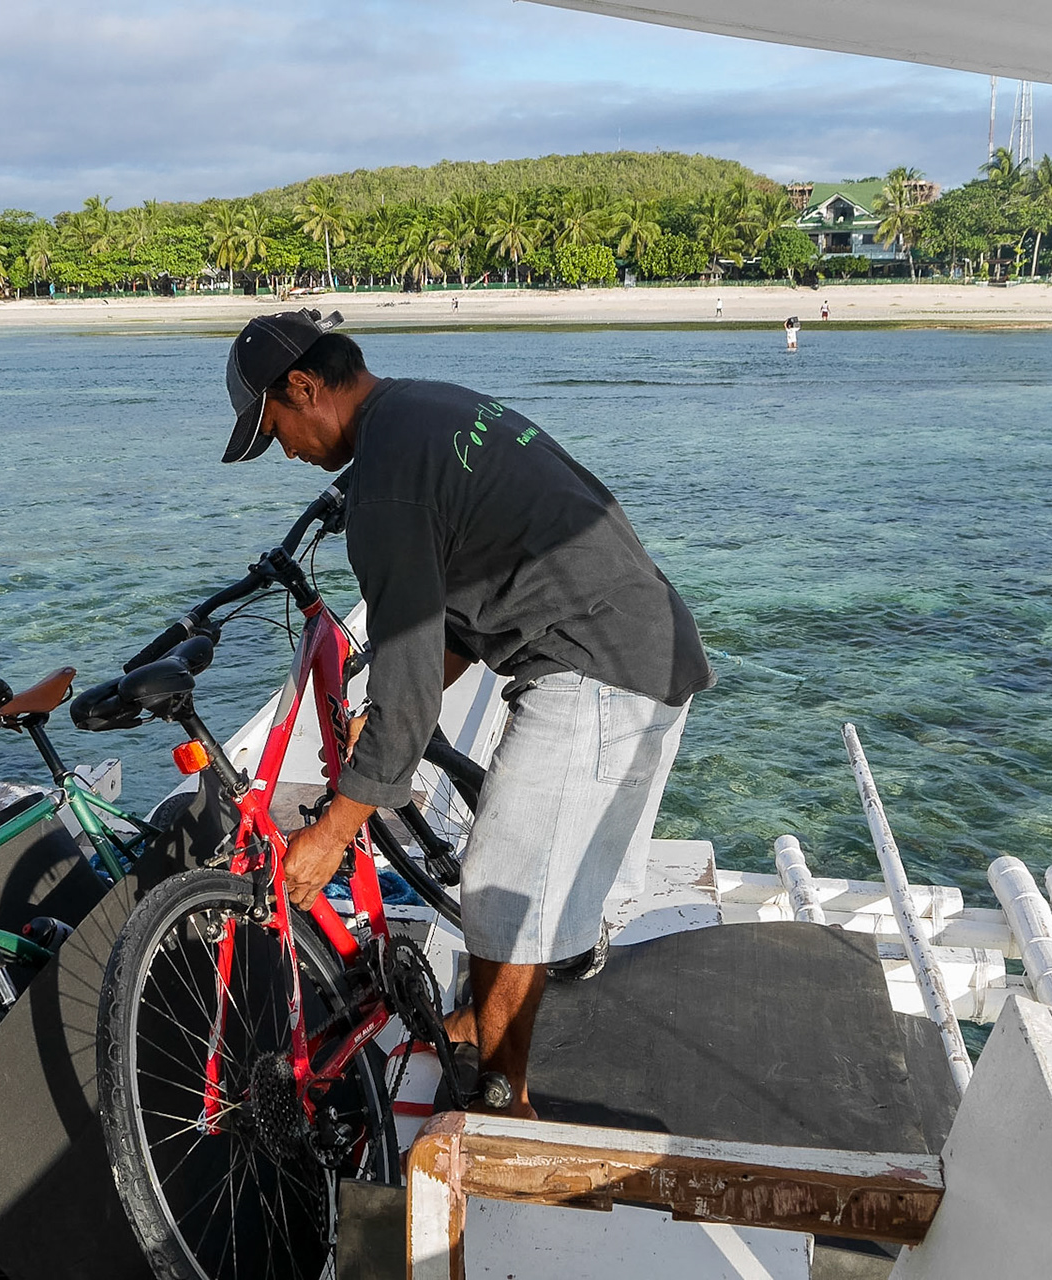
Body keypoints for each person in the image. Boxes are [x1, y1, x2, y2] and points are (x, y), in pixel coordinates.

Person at [219, 310, 712, 1117]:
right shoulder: (423, 407)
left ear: (305, 388)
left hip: (597, 662)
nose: (286, 454)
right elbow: (456, 622)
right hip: (640, 637)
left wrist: (331, 835)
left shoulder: (383, 484)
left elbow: (409, 694)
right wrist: (388, 713)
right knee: (527, 864)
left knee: (502, 883)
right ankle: (487, 1022)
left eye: (275, 431)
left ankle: (501, 1098)